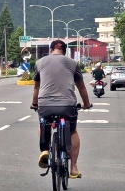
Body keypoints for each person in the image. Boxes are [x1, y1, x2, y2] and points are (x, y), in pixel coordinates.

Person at [31, 39, 92, 179]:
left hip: (45, 104)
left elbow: (36, 87)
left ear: (50, 50)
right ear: (64, 51)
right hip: (67, 105)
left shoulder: (40, 63)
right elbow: (81, 87)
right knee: (72, 131)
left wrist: (34, 104)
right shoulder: (73, 63)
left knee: (43, 123)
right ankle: (74, 168)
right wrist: (86, 104)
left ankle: (45, 150)